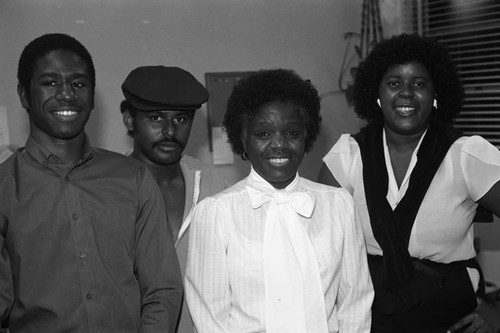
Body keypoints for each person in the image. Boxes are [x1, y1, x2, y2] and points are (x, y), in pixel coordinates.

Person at [0, 33, 183, 332]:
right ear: (24, 95)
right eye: (49, 82)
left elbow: (162, 290)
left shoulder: (132, 177)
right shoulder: (5, 186)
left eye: (78, 83)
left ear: (92, 95)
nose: (66, 94)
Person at [318, 33, 500, 333]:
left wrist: (497, 307)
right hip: (368, 319)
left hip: (452, 319)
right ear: (376, 93)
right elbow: (321, 253)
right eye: (393, 83)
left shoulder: (465, 154)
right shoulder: (347, 155)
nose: (406, 93)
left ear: (436, 93)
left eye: (419, 83)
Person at [185, 68, 373, 333]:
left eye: (291, 133)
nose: (279, 145)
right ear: (242, 138)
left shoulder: (338, 204)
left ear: (307, 136)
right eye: (263, 134)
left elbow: (356, 302)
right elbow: (209, 317)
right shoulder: (215, 213)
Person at [120, 65, 229, 333]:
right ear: (129, 119)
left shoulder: (215, 186)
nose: (170, 131)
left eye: (181, 119)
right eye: (156, 118)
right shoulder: (105, 189)